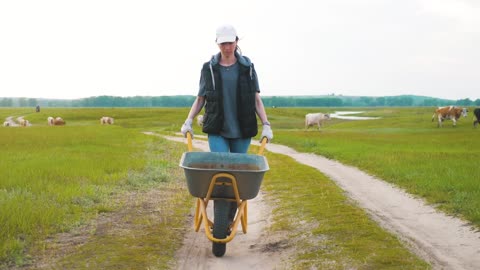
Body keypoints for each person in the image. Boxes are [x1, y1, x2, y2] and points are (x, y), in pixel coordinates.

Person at [180, 24, 273, 223]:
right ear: (217, 43)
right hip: (217, 130)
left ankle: (228, 218)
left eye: (230, 43)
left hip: (242, 130)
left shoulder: (247, 68)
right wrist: (188, 120)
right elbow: (200, 98)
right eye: (223, 43)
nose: (227, 47)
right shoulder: (209, 68)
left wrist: (266, 124)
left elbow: (256, 98)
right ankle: (221, 214)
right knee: (221, 175)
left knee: (237, 179)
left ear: (236, 42)